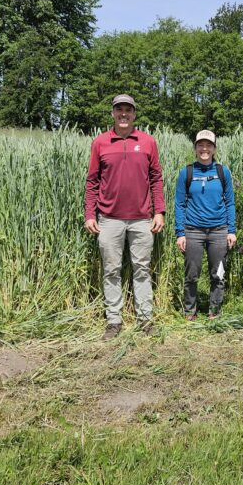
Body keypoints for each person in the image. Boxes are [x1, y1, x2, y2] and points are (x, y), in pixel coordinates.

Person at [84, 94, 165, 339]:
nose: (123, 114)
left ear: (134, 114)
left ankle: (145, 320)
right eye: (119, 109)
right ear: (112, 113)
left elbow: (156, 179)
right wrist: (90, 214)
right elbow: (92, 181)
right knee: (111, 270)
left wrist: (159, 211)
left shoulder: (148, 142)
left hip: (141, 218)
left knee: (142, 269)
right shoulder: (100, 143)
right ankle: (114, 321)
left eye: (127, 110)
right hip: (109, 219)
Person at [174, 130, 237, 320]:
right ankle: (189, 311)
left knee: (218, 274)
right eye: (200, 145)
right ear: (195, 148)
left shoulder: (222, 171)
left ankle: (214, 311)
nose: (204, 149)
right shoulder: (187, 172)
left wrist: (231, 230)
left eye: (208, 145)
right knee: (192, 275)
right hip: (193, 231)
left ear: (214, 149)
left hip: (219, 231)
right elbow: (179, 204)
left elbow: (230, 202)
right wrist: (180, 233)